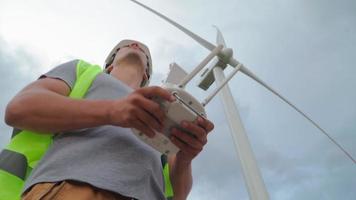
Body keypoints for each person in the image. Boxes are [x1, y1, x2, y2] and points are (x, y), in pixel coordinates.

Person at [4, 39, 214, 200]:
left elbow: (179, 194)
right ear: (109, 65)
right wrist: (113, 110)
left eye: (144, 51)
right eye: (124, 45)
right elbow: (20, 108)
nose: (134, 44)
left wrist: (186, 157)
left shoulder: (164, 106)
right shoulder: (83, 71)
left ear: (146, 76)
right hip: (70, 186)